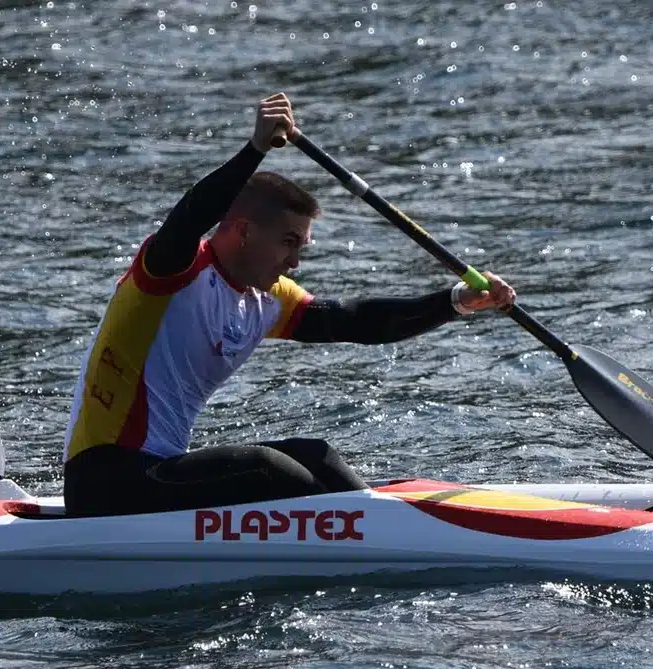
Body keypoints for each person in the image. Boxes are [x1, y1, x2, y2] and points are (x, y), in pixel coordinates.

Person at [63, 92, 517, 518]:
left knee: (313, 454)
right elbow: (190, 216)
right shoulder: (170, 273)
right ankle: (363, 529)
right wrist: (254, 149)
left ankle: (375, 520)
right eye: (288, 242)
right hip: (106, 482)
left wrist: (455, 301)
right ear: (242, 231)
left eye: (301, 245)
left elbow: (356, 321)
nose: (296, 261)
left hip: (162, 476)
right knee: (264, 467)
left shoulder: (268, 298)